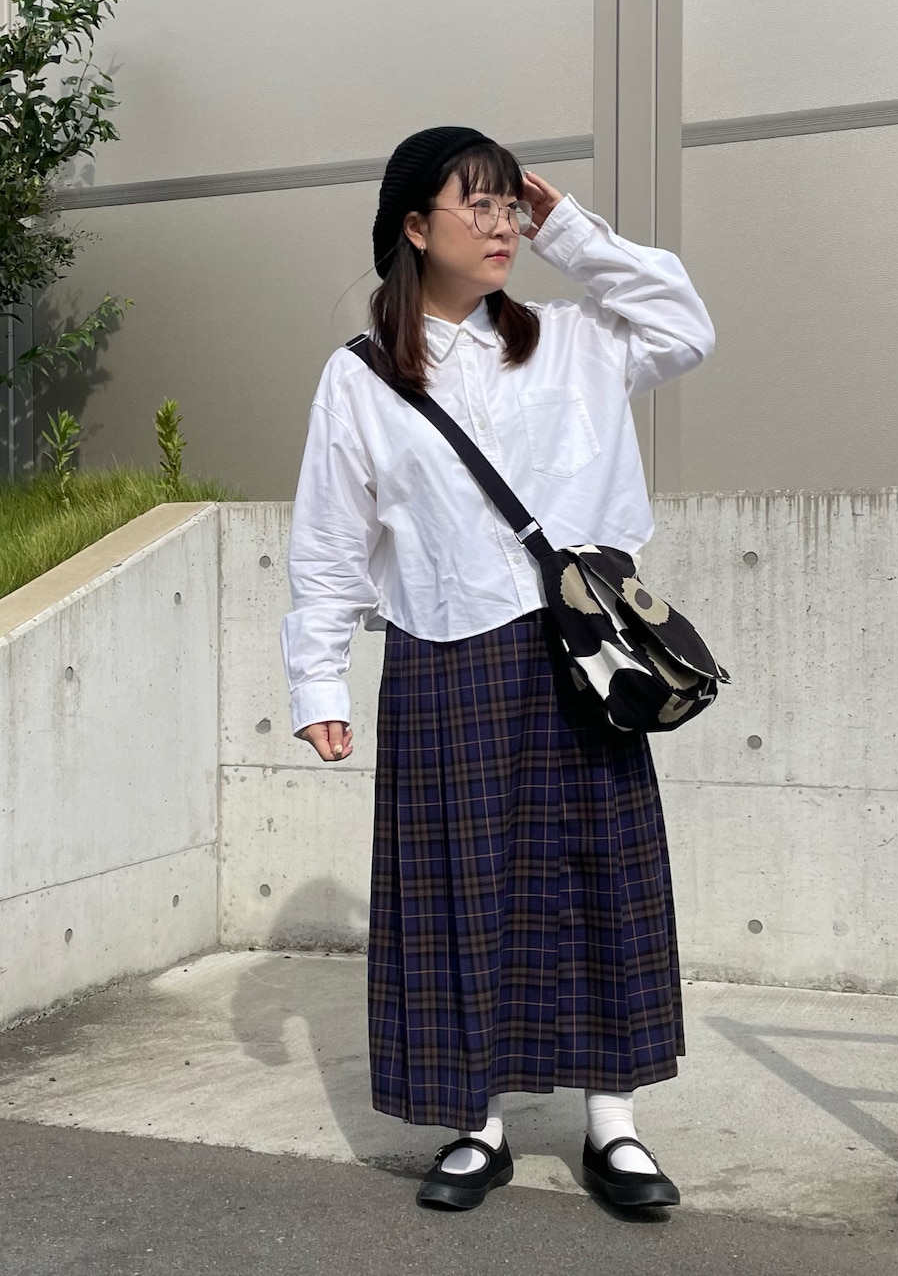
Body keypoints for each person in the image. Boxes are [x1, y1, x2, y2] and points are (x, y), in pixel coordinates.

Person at [281, 126, 714, 1211]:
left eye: (508, 205)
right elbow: (330, 537)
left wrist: (573, 230)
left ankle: (613, 1127)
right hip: (445, 651)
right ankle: (475, 1124)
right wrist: (317, 680)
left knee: (602, 881)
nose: (500, 224)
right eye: (473, 204)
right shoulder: (363, 377)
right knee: (455, 892)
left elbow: (684, 323)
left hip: (583, 654)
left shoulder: (575, 339)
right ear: (413, 228)